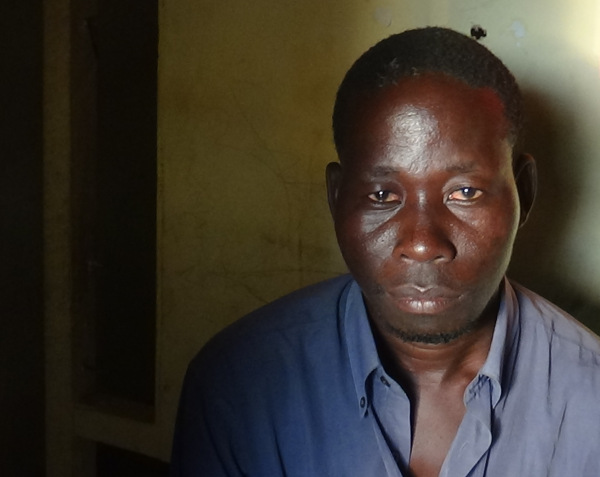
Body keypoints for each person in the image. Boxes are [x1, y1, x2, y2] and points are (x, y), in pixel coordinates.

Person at [170, 27, 600, 477]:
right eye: (382, 196)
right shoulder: (235, 385)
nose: (422, 244)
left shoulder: (589, 402)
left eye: (465, 192)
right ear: (337, 199)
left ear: (524, 195)